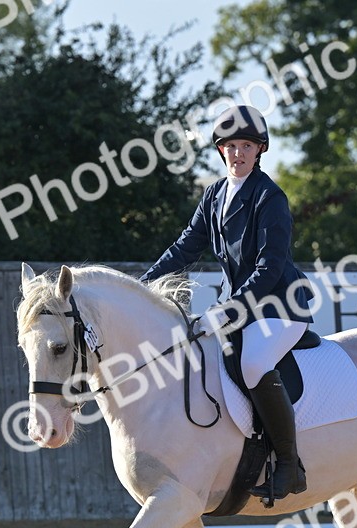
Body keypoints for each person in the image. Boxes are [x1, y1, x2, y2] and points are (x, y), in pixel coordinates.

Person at [140, 105, 314, 501]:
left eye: (247, 146)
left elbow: (269, 268)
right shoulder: (215, 194)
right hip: (239, 309)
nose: (238, 153)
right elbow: (186, 247)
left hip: (280, 307)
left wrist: (229, 308)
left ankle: (289, 466)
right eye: (231, 146)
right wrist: (145, 285)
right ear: (221, 151)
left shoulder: (269, 197)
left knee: (253, 361)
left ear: (260, 150)